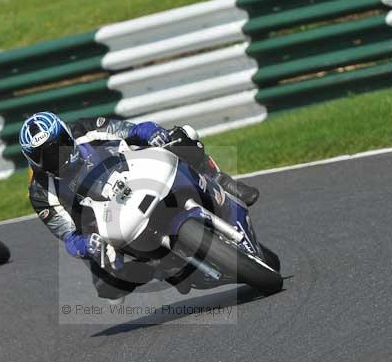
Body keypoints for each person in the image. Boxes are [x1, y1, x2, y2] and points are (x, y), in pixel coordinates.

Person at [21, 111, 260, 300]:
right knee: (109, 286)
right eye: (44, 157)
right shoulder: (41, 193)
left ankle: (219, 180)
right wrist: (89, 244)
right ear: (33, 160)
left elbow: (132, 130)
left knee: (182, 136)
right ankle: (165, 268)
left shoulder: (86, 130)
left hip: (138, 177)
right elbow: (69, 237)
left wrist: (153, 133)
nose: (56, 157)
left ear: (66, 134)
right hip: (107, 223)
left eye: (58, 146)